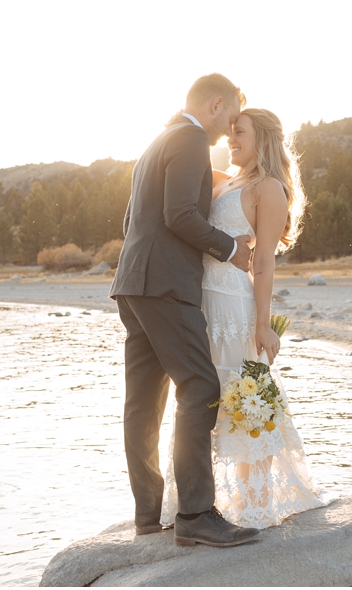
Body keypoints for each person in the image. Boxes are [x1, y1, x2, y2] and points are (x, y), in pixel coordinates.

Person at [160, 108, 329, 531]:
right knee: (204, 402)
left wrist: (262, 324)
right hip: (203, 307)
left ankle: (255, 504)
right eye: (229, 132)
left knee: (245, 404)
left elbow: (265, 264)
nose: (230, 140)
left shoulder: (267, 188)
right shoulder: (225, 180)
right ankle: (206, 505)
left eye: (240, 134)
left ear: (264, 139)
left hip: (236, 309)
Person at [110, 73, 260, 547]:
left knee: (143, 402)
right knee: (200, 385)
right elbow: (179, 215)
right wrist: (228, 247)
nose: (229, 128)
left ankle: (147, 516)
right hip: (166, 285)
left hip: (133, 283)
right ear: (215, 105)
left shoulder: (158, 140)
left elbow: (134, 218)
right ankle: (195, 514)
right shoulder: (193, 139)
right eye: (230, 116)